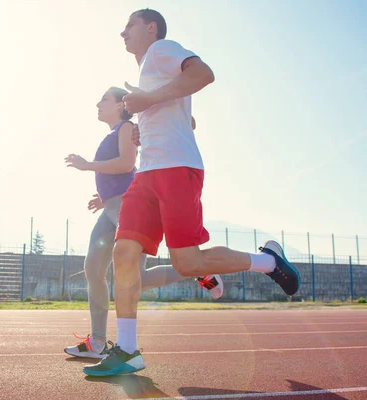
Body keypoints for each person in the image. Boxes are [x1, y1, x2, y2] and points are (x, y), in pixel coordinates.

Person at [83, 9, 300, 377]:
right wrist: (146, 125)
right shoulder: (149, 71)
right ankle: (128, 350)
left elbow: (203, 75)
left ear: (151, 28)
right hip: (148, 174)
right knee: (123, 252)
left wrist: (148, 101)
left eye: (130, 26)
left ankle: (269, 261)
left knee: (188, 263)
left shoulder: (162, 49)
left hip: (177, 168)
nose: (123, 33)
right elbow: (188, 118)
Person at [64, 86, 223, 359]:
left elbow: (126, 164)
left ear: (118, 105)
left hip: (127, 206)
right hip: (114, 205)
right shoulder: (116, 133)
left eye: (104, 99)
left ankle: (197, 270)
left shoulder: (126, 127)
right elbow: (131, 171)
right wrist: (105, 198)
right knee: (93, 267)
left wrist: (87, 165)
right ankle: (98, 342)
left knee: (135, 279)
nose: (98, 103)